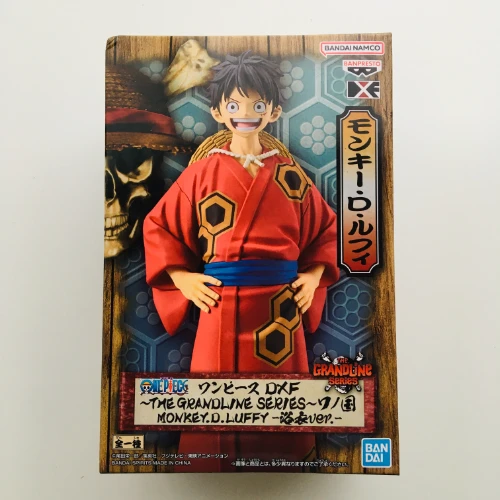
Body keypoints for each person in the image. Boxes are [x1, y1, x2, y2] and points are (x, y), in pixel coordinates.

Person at [143, 51, 339, 472]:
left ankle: (286, 460)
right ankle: (210, 461)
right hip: (221, 302)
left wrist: (312, 276)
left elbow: (325, 228)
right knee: (217, 390)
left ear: (274, 111)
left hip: (280, 307)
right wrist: (182, 277)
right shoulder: (201, 174)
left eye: (257, 104)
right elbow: (159, 226)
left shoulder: (290, 174)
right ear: (217, 112)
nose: (245, 114)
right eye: (233, 105)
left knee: (281, 394)